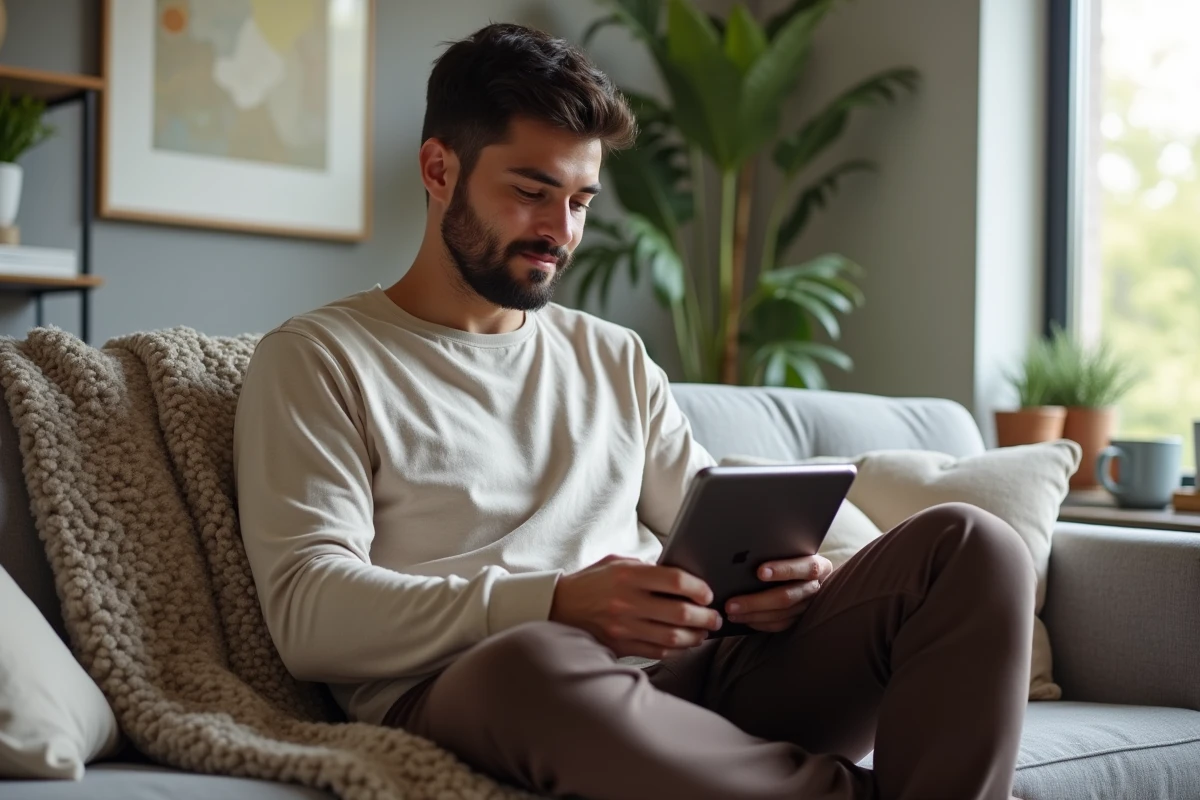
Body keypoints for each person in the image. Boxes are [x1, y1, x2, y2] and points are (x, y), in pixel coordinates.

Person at [233, 21, 1035, 800]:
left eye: (581, 200)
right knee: (533, 663)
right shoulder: (319, 358)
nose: (561, 231)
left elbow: (712, 527)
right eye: (531, 192)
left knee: (974, 544)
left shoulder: (611, 355)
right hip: (493, 689)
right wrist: (552, 601)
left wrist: (793, 583)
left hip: (692, 675)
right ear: (439, 170)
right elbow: (311, 611)